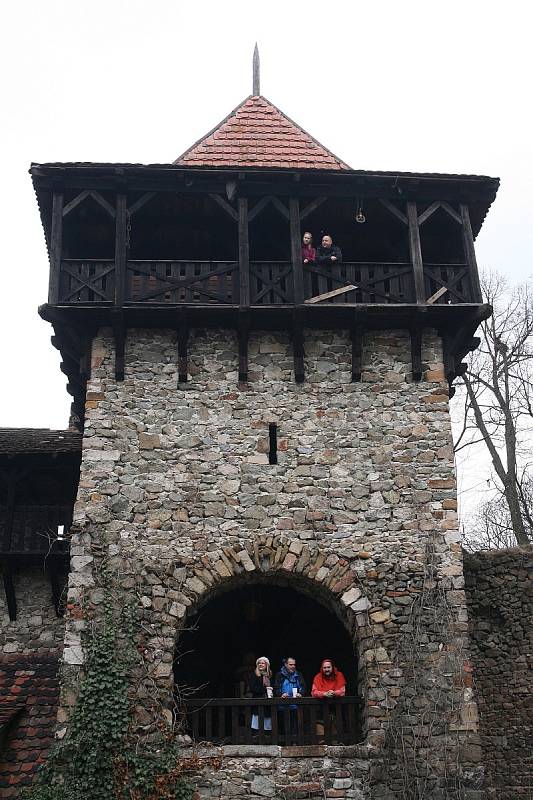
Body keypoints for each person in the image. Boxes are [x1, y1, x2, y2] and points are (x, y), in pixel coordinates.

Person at [311, 658, 346, 743]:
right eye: (324, 668)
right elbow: (313, 692)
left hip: (335, 707)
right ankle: (322, 744)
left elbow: (342, 691)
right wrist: (324, 694)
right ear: (322, 668)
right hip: (321, 708)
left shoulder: (339, 675)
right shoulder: (318, 677)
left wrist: (334, 693)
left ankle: (336, 743)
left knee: (335, 725)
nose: (326, 669)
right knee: (319, 725)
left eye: (328, 667)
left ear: (332, 667)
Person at [246, 656, 273, 732]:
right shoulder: (253, 675)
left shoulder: (269, 675)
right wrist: (265, 689)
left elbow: (274, 686)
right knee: (257, 721)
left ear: (266, 665)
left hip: (268, 701)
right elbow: (253, 688)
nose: (260, 664)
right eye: (259, 663)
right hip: (257, 700)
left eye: (263, 663)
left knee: (267, 721)